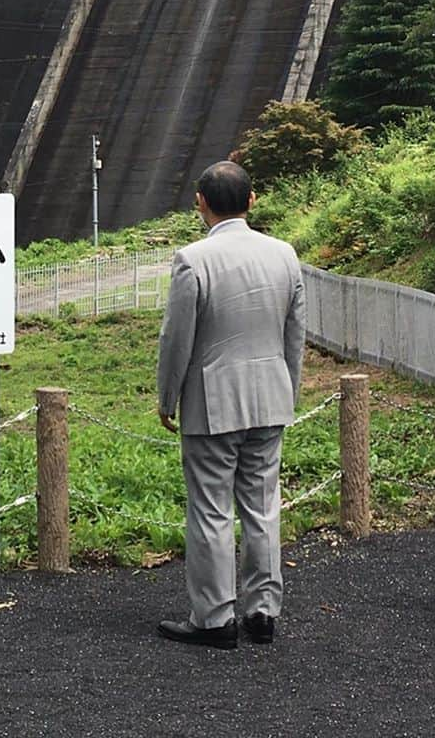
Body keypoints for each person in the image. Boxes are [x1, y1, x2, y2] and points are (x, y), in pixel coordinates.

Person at [155, 161, 305, 649]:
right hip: (270, 397)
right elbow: (294, 336)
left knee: (211, 510)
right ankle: (263, 612)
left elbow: (177, 340)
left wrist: (167, 397)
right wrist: (289, 389)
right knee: (262, 507)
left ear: (200, 202)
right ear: (253, 200)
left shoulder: (193, 259)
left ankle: (215, 618)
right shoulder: (284, 255)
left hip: (212, 402)